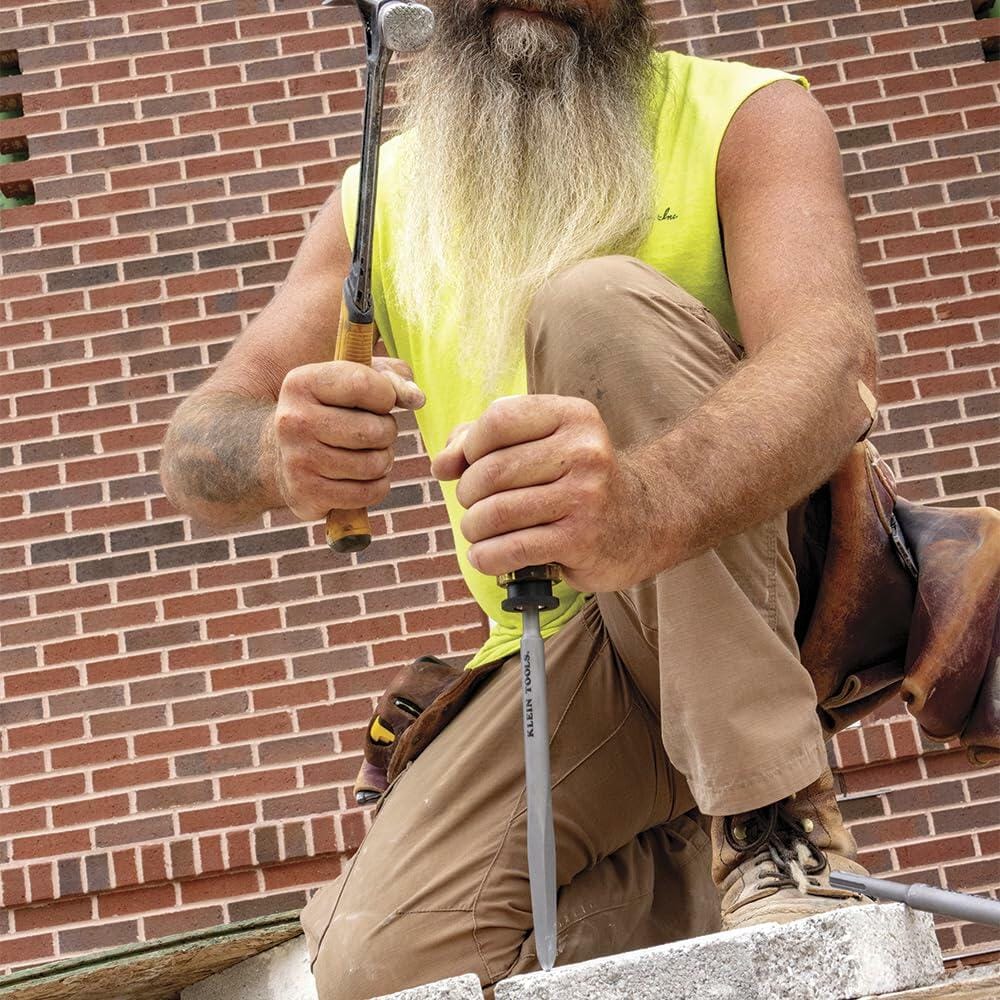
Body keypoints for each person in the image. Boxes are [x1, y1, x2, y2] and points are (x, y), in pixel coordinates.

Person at [160, 0, 882, 995]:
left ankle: (777, 827)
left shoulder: (743, 112)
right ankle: (686, 859)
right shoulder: (381, 197)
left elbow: (828, 361)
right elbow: (200, 439)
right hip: (559, 641)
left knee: (589, 304)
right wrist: (278, 453)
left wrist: (648, 503)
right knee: (377, 972)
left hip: (756, 589)